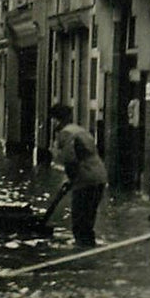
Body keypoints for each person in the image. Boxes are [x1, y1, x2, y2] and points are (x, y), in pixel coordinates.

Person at [50, 104, 107, 247]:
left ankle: (81, 255)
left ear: (57, 120)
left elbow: (70, 160)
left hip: (85, 179)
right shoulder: (80, 130)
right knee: (88, 220)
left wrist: (71, 180)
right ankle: (89, 249)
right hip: (99, 177)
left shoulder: (65, 134)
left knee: (79, 221)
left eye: (53, 119)